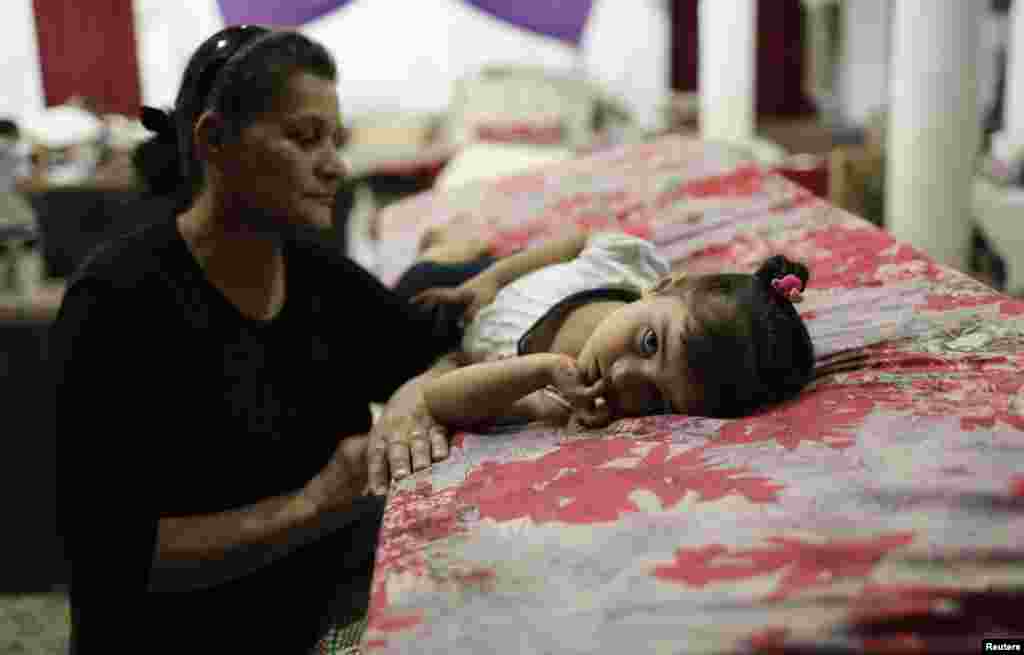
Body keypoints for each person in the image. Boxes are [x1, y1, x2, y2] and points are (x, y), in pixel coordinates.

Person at [52, 26, 463, 653]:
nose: (334, 165)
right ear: (215, 139)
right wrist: (315, 502)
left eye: (335, 139)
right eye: (305, 138)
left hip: (314, 620)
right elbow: (109, 556)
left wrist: (416, 397)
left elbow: (435, 350)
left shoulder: (318, 275)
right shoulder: (117, 304)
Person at [399, 230, 815, 430]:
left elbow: (440, 399)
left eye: (657, 400)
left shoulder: (566, 398)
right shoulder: (627, 266)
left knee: (409, 297)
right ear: (663, 287)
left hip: (451, 334)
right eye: (650, 343)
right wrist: (490, 279)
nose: (622, 376)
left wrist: (539, 371)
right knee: (446, 272)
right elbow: (570, 243)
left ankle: (439, 247)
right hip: (486, 286)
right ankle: (459, 244)